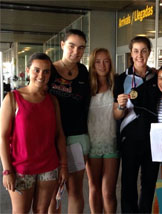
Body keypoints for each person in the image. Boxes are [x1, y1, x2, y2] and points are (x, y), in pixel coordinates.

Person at [0, 53, 68, 213]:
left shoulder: (52, 101)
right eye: (37, 70)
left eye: (46, 71)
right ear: (28, 70)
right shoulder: (12, 98)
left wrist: (63, 165)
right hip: (21, 169)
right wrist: (7, 170)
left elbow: (59, 134)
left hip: (48, 168)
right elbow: (2, 137)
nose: (41, 75)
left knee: (42, 211)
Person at [113, 36, 161, 213]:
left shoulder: (157, 78)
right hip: (130, 137)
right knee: (128, 183)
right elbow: (116, 115)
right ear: (131, 53)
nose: (140, 55)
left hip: (154, 138)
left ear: (149, 52)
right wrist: (120, 105)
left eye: (144, 50)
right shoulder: (122, 79)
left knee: (149, 183)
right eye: (136, 51)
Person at [48, 29, 90, 213]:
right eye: (72, 46)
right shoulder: (49, 70)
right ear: (62, 45)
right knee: (53, 191)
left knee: (75, 190)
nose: (76, 51)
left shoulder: (83, 72)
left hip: (77, 139)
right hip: (51, 139)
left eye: (81, 48)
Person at [87, 48, 119, 214]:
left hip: (111, 143)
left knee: (108, 191)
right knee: (94, 188)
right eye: (98, 61)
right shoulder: (86, 87)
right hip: (91, 144)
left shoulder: (117, 83)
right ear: (93, 64)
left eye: (106, 60)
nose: (102, 65)